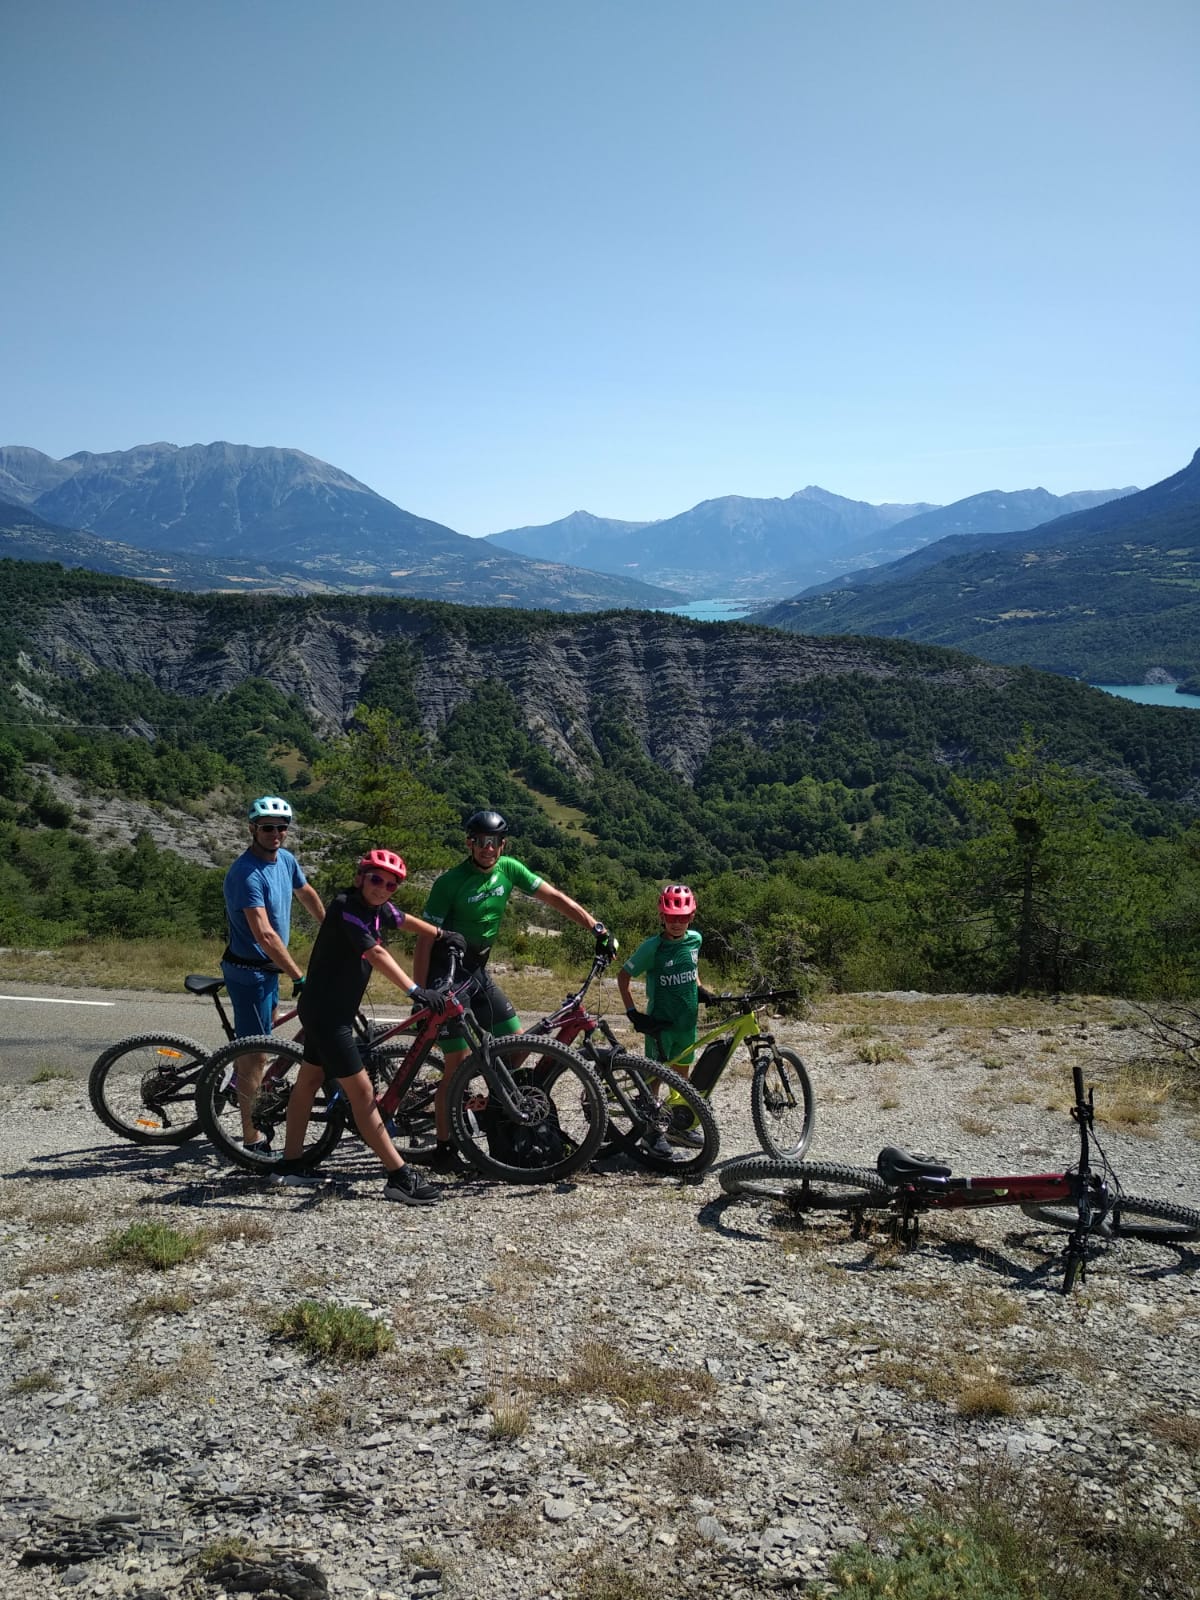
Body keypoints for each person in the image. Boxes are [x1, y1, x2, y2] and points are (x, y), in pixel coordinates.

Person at [412, 808, 615, 1171]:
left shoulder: (509, 868)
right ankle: (444, 1149)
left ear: (502, 844)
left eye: (495, 842)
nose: (488, 849)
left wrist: (595, 927)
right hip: (449, 974)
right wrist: (420, 992)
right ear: (469, 843)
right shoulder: (450, 883)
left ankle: (489, 1101)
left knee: (516, 1038)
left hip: (478, 970)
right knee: (454, 1066)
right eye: (481, 842)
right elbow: (425, 941)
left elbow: (554, 897)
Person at [280, 848, 466, 1204]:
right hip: (328, 1016)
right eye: (376, 879)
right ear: (359, 878)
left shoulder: (377, 908)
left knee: (308, 1081)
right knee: (364, 1096)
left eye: (391, 884)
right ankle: (398, 1176)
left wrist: (441, 934)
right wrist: (415, 990)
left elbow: (404, 919)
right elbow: (376, 953)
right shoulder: (346, 907)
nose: (383, 888)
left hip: (326, 1011)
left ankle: (290, 1165)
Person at [222, 796, 326, 1152]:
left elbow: (306, 892)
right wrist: (299, 976)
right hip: (248, 972)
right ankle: (250, 1140)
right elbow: (264, 934)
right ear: (252, 829)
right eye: (268, 827)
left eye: (282, 827)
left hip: (269, 971)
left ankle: (241, 1080)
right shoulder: (245, 873)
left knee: (266, 1034)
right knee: (257, 1055)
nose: (276, 833)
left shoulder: (286, 860)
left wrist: (333, 929)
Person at [617, 884, 715, 1148]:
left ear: (692, 916)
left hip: (687, 1022)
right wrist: (632, 1013)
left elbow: (691, 966)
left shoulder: (696, 939)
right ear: (662, 917)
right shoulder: (653, 947)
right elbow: (623, 976)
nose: (677, 923)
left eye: (682, 917)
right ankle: (650, 1132)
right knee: (654, 1079)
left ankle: (676, 1128)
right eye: (671, 917)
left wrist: (700, 988)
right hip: (660, 1026)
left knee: (682, 1079)